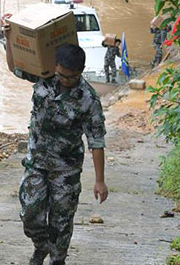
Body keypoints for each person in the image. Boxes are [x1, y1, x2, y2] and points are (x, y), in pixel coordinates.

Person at [19, 44, 108, 265]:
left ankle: (57, 260)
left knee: (61, 222)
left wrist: (100, 181)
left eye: (72, 77)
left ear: (81, 71)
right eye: (62, 75)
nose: (66, 80)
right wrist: (11, 34)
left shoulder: (88, 99)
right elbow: (16, 66)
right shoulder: (44, 78)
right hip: (37, 162)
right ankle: (41, 247)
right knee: (30, 214)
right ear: (55, 67)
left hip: (65, 170)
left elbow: (96, 141)